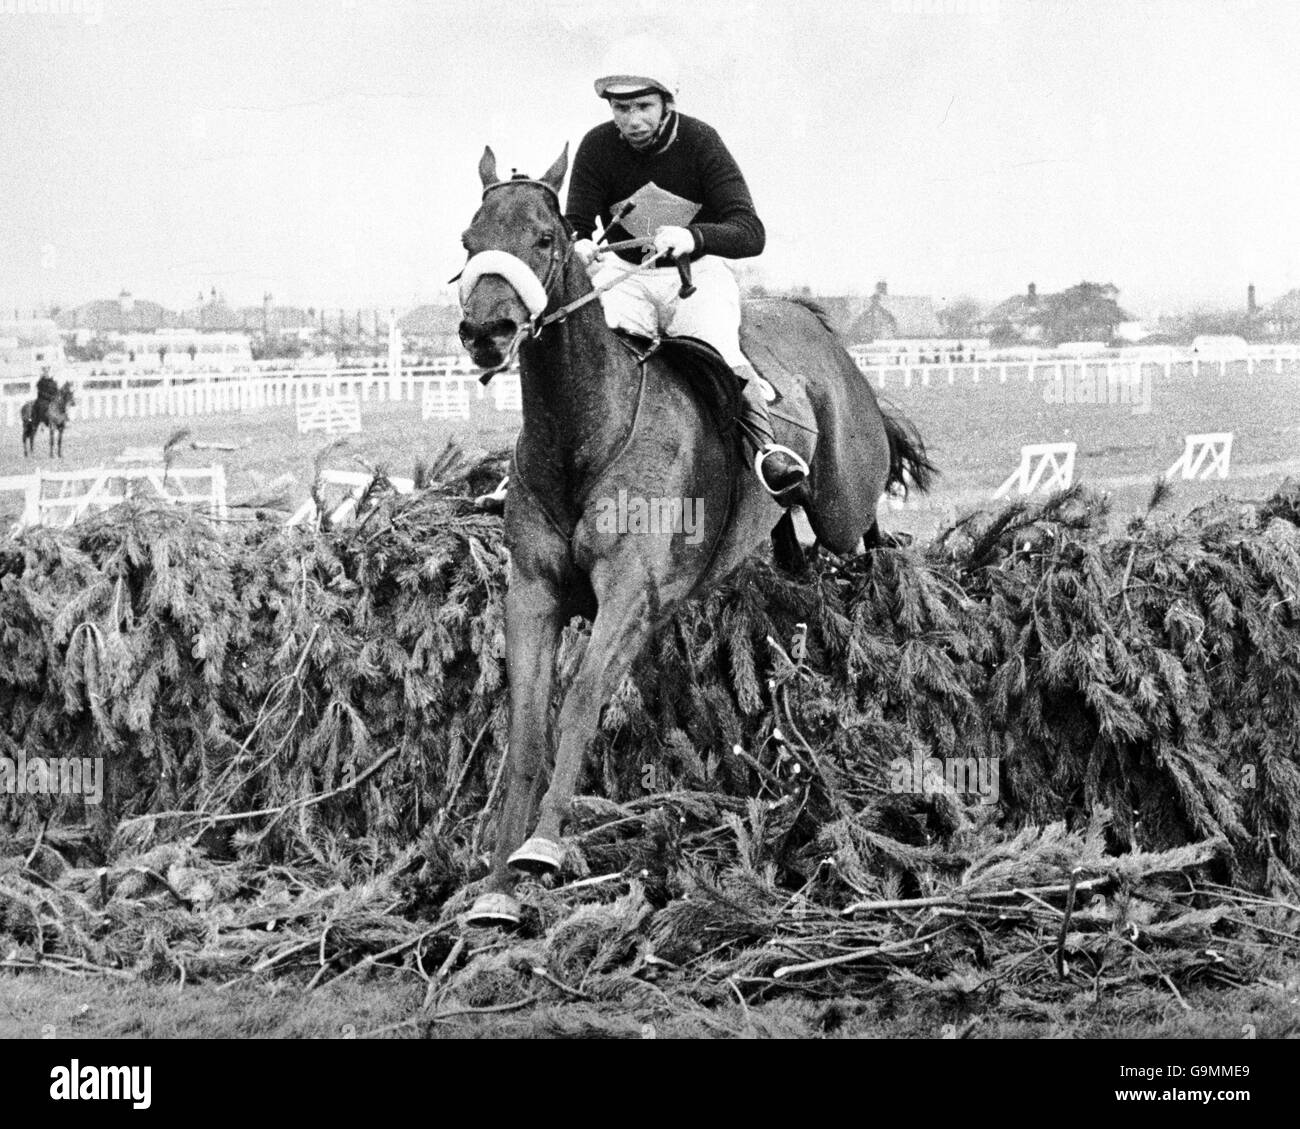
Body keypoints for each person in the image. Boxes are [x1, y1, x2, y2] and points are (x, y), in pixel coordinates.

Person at [564, 39, 808, 498]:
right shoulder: (597, 146)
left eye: (643, 106)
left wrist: (693, 237)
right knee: (584, 363)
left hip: (694, 277)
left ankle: (766, 451)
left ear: (666, 102)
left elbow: (750, 231)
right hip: (625, 277)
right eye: (620, 108)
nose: (632, 121)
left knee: (717, 351)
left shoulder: (700, 142)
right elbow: (576, 221)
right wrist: (578, 244)